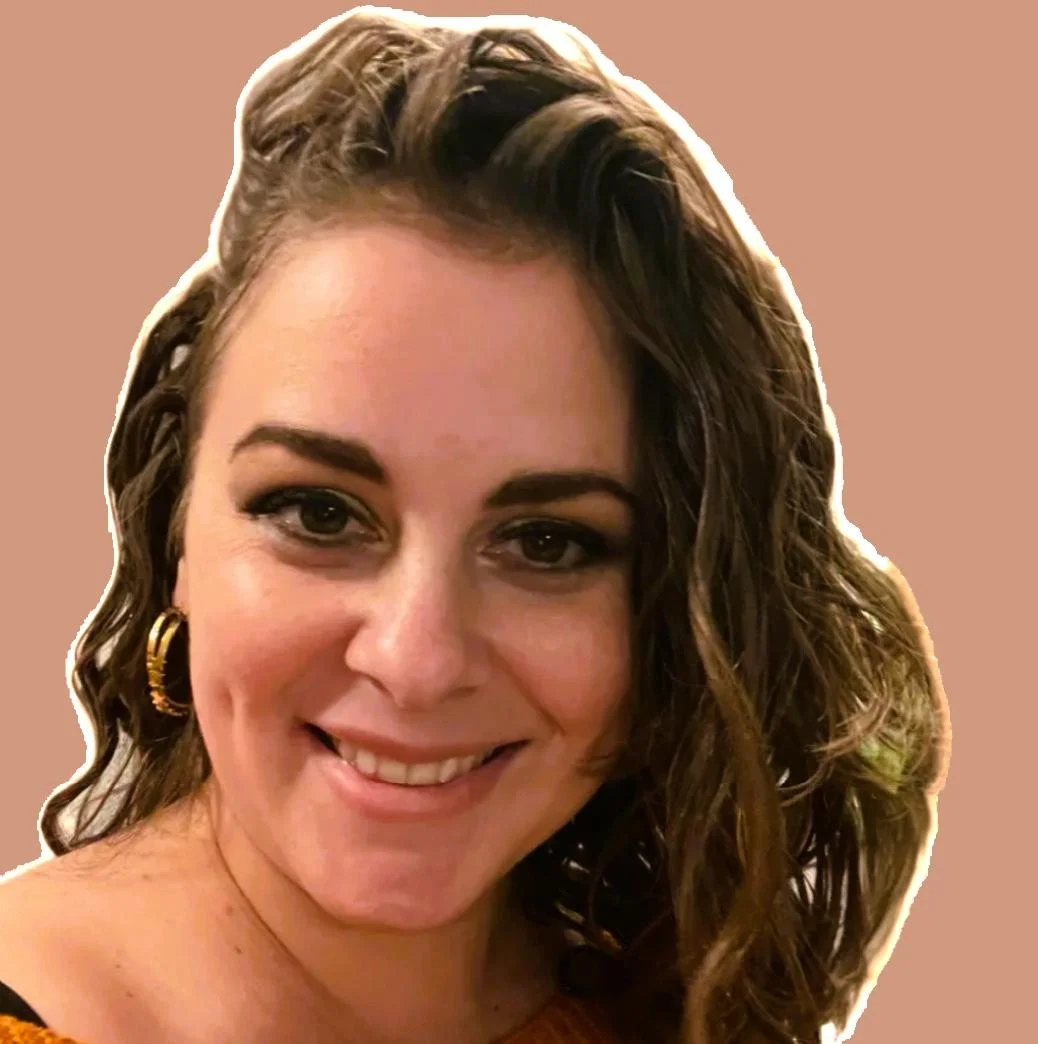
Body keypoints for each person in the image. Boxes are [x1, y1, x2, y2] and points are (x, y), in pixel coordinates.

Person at [0, 7, 950, 1043]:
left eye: (547, 542)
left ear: (680, 607)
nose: (416, 660)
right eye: (319, 513)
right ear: (178, 531)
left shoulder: (668, 1003)